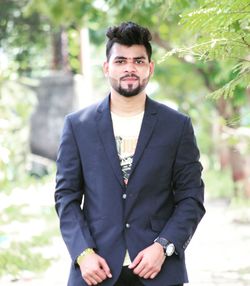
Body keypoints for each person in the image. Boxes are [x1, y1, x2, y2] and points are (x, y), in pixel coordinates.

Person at [55, 21, 205, 286]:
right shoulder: (78, 126)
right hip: (95, 270)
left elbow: (191, 198)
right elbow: (66, 197)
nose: (129, 68)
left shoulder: (177, 126)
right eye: (121, 60)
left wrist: (164, 246)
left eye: (138, 61)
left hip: (158, 270)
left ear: (150, 68)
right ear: (106, 67)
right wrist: (83, 252)